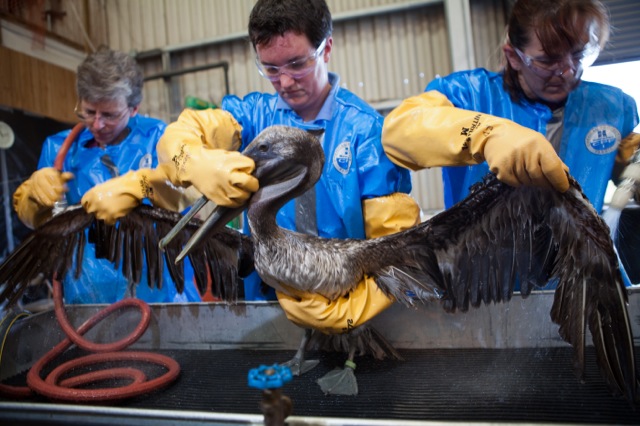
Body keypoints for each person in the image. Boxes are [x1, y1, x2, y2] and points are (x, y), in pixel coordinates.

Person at [81, 0, 421, 333]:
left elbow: (393, 245)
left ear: (326, 48)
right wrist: (196, 162)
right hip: (266, 307)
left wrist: (350, 314)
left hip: (345, 306)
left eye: (297, 63)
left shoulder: (365, 132)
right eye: (270, 69)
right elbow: (183, 134)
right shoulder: (253, 117)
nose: (285, 82)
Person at [383, 0, 639, 216]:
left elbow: (621, 162)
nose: (567, 70)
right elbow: (399, 130)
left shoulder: (611, 107)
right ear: (514, 57)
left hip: (578, 268)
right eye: (548, 60)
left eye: (579, 54)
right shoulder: (469, 94)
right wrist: (486, 135)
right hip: (485, 270)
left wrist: (632, 162)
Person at [13, 47, 201, 304]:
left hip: (160, 292)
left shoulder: (160, 138)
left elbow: (188, 192)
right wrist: (32, 200)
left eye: (109, 115)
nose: (97, 124)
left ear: (134, 108)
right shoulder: (59, 150)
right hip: (86, 296)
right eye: (89, 112)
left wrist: (143, 186)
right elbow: (41, 223)